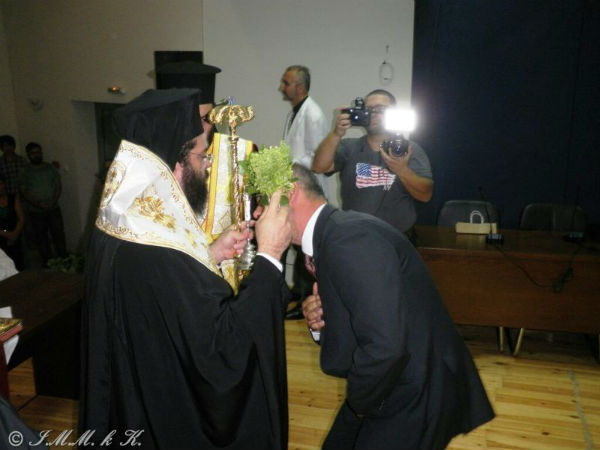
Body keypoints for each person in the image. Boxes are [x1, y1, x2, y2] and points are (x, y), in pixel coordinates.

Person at [80, 89, 293, 450]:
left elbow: (165, 294)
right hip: (166, 418)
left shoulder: (123, 219)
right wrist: (271, 256)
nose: (207, 164)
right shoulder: (156, 250)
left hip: (134, 396)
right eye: (202, 154)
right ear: (174, 162)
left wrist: (210, 253)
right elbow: (222, 352)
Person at [289, 164, 494, 450]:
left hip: (414, 390)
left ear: (289, 193)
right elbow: (369, 325)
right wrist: (322, 324)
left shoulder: (348, 240)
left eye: (260, 205)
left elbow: (385, 346)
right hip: (392, 381)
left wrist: (359, 404)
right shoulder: (336, 233)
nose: (257, 215)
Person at [312, 89, 433, 242]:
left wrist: (401, 170)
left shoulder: (410, 149)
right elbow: (319, 167)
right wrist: (336, 133)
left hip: (397, 240)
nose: (374, 113)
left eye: (380, 109)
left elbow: (425, 195)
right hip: (354, 236)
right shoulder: (349, 147)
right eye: (368, 109)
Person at [279, 65, 329, 317]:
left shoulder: (314, 114)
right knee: (293, 242)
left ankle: (305, 299)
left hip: (308, 188)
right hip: (294, 184)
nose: (282, 87)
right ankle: (293, 292)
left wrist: (292, 164)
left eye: (286, 83)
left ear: (300, 86)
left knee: (305, 247)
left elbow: (318, 156)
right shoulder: (296, 112)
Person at [18, 142, 67, 266]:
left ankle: (65, 261)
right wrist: (38, 203)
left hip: (53, 208)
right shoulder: (25, 171)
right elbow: (24, 191)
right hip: (36, 211)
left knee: (59, 235)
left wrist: (53, 201)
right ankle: (48, 263)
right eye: (33, 153)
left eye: (38, 152)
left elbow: (58, 185)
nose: (37, 155)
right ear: (28, 155)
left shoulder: (50, 168)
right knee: (41, 238)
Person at [0, 176, 25, 270]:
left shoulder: (12, 197)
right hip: (2, 237)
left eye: (1, 184)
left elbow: (21, 218)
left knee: (19, 262)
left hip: (15, 233)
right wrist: (7, 234)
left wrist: (14, 234)